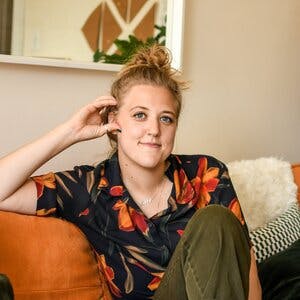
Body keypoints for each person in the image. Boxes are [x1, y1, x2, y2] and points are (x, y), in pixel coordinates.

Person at [0, 45, 261, 299]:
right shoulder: (88, 189)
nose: (154, 130)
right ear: (114, 120)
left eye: (166, 118)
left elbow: (245, 276)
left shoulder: (207, 174)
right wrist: (71, 132)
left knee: (215, 220)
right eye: (139, 115)